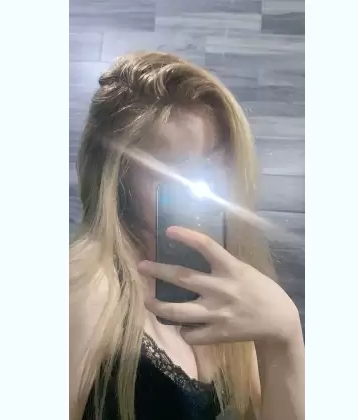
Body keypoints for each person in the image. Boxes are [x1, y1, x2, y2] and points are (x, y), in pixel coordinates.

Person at [70, 51, 305, 420]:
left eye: (215, 161)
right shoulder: (85, 290)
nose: (200, 189)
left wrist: (284, 336)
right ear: (121, 177)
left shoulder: (232, 291)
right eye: (173, 170)